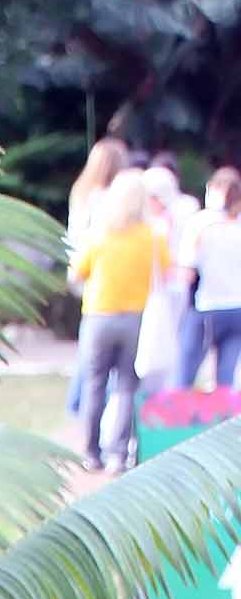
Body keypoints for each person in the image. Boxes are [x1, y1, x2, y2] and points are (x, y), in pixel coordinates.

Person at [68, 171, 166, 471]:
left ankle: (90, 452)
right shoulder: (151, 236)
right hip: (136, 318)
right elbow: (166, 271)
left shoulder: (100, 233)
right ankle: (118, 454)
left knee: (95, 383)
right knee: (126, 385)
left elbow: (76, 273)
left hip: (99, 315)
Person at [65, 139, 128, 415]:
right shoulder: (115, 199)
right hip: (109, 275)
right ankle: (91, 405)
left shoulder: (81, 194)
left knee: (90, 343)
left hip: (85, 273)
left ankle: (79, 403)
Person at [136, 165, 195, 396]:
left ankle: (162, 399)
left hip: (168, 290)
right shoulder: (152, 222)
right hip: (157, 291)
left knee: (166, 349)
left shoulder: (175, 217)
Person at [182, 167, 241, 388]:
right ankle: (223, 419)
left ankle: (181, 417)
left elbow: (187, 269)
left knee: (187, 371)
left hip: (208, 306)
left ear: (214, 190)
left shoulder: (201, 223)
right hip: (237, 308)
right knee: (225, 378)